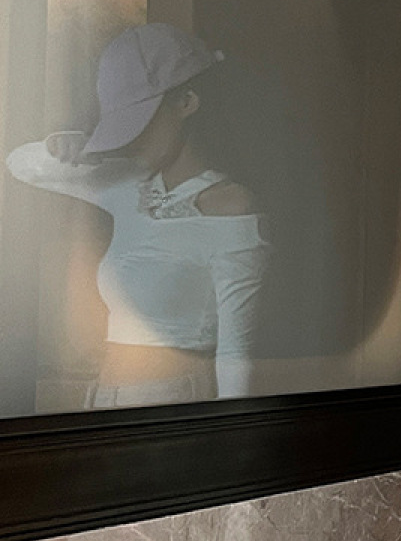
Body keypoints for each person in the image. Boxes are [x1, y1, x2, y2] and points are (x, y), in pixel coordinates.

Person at [4, 22, 270, 410]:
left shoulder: (231, 207)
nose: (129, 138)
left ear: (186, 102)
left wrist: (229, 429)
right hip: (101, 403)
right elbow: (19, 165)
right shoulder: (128, 184)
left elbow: (235, 354)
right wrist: (64, 146)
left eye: (139, 120)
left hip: (174, 407)